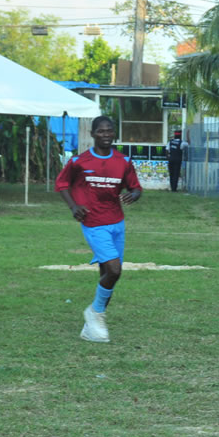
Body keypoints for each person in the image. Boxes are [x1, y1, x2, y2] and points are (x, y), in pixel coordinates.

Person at [55, 116, 142, 343]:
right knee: (114, 270)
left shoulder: (123, 161)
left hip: (117, 222)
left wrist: (133, 194)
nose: (106, 135)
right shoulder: (79, 161)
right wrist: (74, 206)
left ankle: (91, 327)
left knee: (108, 275)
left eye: (109, 131)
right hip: (93, 222)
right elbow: (61, 184)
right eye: (101, 131)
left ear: (114, 134)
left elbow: (136, 187)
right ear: (93, 134)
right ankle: (94, 312)